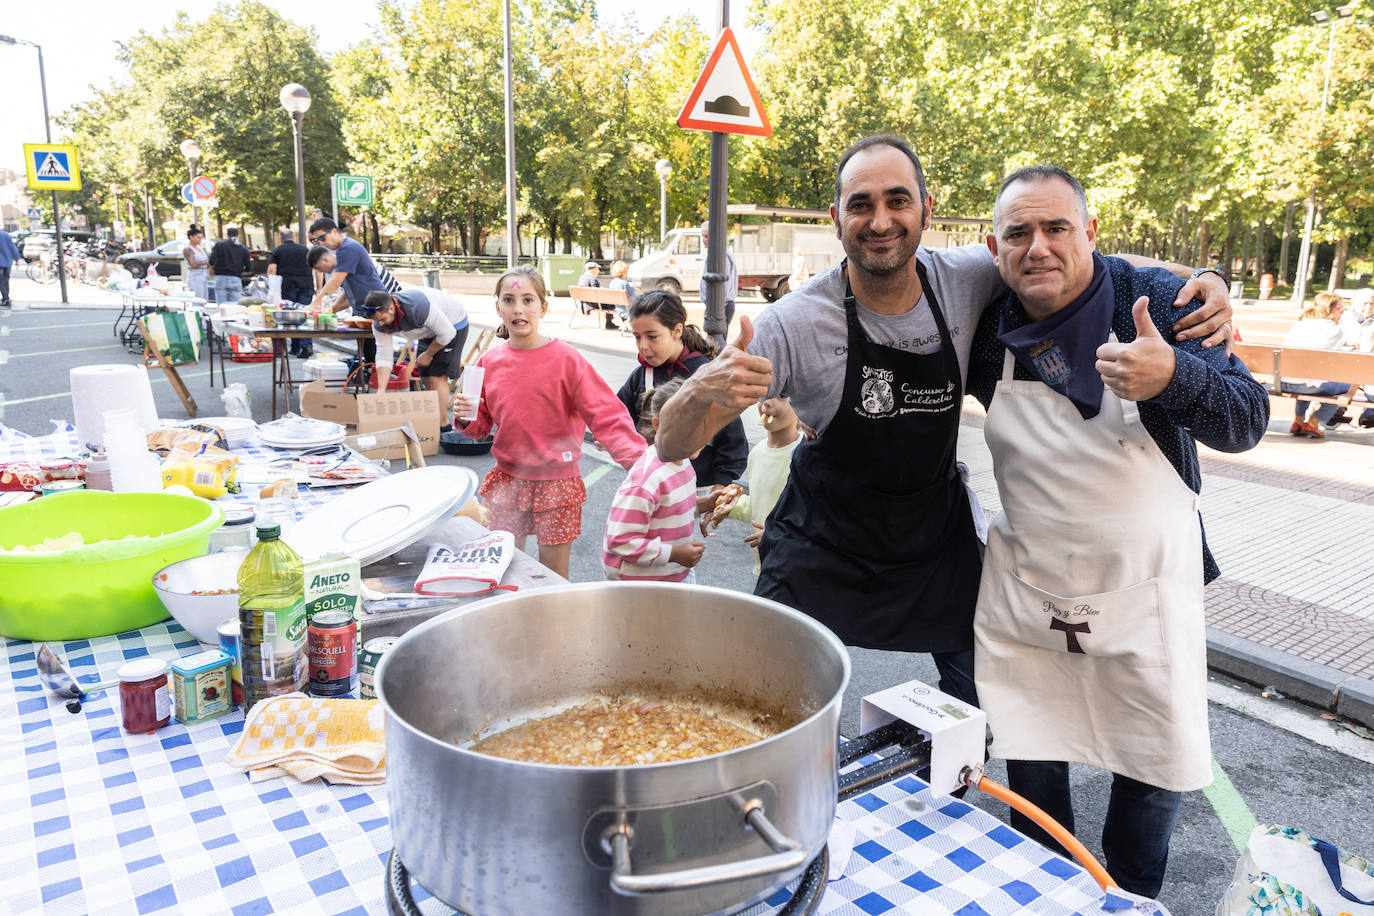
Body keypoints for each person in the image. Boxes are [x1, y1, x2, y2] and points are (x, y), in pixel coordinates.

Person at [656, 134, 1235, 708]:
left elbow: (1076, 253)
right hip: (822, 542)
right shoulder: (792, 323)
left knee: (982, 696)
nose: (880, 220)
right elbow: (671, 446)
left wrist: (1203, 279)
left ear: (925, 210)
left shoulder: (965, 277)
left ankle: (952, 789)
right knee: (773, 696)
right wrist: (698, 388)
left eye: (897, 200)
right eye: (861, 204)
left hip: (932, 536)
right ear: (837, 218)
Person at [966, 165, 1269, 898]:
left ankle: (1130, 899)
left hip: (1147, 593)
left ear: (1091, 233)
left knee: (1152, 769)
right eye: (1018, 233)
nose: (1037, 247)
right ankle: (1045, 890)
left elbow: (1247, 419)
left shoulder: (1158, 302)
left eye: (1057, 228)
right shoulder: (983, 324)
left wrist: (1175, 378)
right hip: (1031, 592)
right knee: (1033, 757)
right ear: (993, 247)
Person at [452, 266, 645, 579]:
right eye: (509, 299)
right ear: (497, 307)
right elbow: (480, 428)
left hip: (557, 484)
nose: (518, 309)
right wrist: (465, 417)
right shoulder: (488, 362)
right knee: (503, 570)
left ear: (543, 307)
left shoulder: (567, 359)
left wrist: (642, 466)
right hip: (507, 481)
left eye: (528, 300)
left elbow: (607, 414)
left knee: (551, 578)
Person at [617, 290, 747, 494]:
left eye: (652, 337)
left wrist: (720, 486)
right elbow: (618, 413)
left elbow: (732, 438)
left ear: (677, 330)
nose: (643, 346)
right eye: (637, 337)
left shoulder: (706, 374)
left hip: (692, 486)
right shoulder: (642, 374)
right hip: (647, 483)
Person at [604, 377, 707, 582]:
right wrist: (675, 554)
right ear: (658, 424)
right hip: (638, 583)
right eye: (689, 427)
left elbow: (670, 510)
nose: (698, 435)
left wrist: (704, 504)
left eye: (704, 426)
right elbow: (620, 540)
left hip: (669, 574)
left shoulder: (682, 461)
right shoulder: (647, 479)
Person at [363, 287, 470, 424]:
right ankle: (431, 417)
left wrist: (429, 354)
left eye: (383, 319)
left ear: (391, 308)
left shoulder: (418, 308)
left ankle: (443, 424)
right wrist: (381, 390)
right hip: (429, 330)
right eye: (377, 321)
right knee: (424, 373)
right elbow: (384, 355)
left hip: (453, 325)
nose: (381, 324)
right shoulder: (378, 324)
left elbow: (447, 333)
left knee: (437, 376)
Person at [722, 396, 802, 575]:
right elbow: (761, 504)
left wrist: (779, 535)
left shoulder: (803, 456)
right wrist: (730, 505)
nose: (767, 402)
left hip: (792, 568)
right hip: (763, 565)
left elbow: (809, 518)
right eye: (765, 395)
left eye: (781, 396)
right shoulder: (757, 452)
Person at [1282, 292, 1360, 438]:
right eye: (1340, 308)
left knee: (1305, 376)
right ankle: (1313, 422)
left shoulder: (1300, 323)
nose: (1341, 311)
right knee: (1346, 388)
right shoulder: (1334, 329)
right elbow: (1340, 356)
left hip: (1285, 381)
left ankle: (1298, 421)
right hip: (1308, 385)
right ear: (1332, 309)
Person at [306, 217, 402, 315]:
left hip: (376, 308)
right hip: (364, 310)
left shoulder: (348, 247)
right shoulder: (341, 251)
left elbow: (335, 281)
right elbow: (347, 293)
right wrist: (328, 311)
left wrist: (312, 306)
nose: (321, 243)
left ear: (334, 231)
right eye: (318, 240)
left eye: (322, 238)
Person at [267, 228, 314, 357]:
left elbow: (272, 270)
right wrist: (319, 286)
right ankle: (306, 345)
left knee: (290, 316)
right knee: (304, 314)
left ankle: (294, 347)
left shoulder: (277, 250)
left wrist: (271, 288)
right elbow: (315, 268)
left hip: (288, 286)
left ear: (281, 238)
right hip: (306, 284)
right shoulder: (305, 249)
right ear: (293, 237)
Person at [699, 220, 738, 348]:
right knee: (715, 345)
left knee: (716, 346)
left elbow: (723, 286)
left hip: (720, 306)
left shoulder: (720, 256)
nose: (704, 240)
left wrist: (715, 305)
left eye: (707, 236)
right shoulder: (718, 253)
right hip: (719, 305)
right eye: (703, 236)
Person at [207, 227, 250, 304]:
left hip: (220, 278)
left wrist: (211, 268)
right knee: (234, 306)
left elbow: (211, 260)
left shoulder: (219, 245)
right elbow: (248, 268)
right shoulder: (243, 249)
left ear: (227, 234)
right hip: (235, 278)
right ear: (238, 235)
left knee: (221, 305)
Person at [181, 226, 209, 302]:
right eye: (198, 238)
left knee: (204, 298)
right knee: (198, 298)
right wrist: (206, 263)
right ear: (191, 237)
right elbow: (192, 264)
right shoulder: (188, 249)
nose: (200, 240)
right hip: (195, 275)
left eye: (201, 238)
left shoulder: (199, 248)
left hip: (204, 274)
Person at [607, 259, 636, 328]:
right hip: (624, 309)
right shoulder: (625, 283)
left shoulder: (612, 283)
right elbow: (632, 296)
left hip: (615, 307)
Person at [0, 228, 21, 308]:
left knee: (1, 281)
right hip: (7, 262)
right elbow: (12, 247)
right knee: (5, 280)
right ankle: (5, 297)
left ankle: (6, 299)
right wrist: (17, 259)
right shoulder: (5, 235)